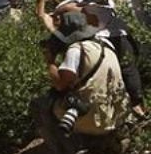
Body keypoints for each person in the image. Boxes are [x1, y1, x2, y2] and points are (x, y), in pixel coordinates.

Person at [31, 11, 129, 154]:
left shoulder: (76, 50)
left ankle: (67, 149)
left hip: (94, 119)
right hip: (114, 115)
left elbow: (60, 84)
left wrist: (50, 61)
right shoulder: (106, 45)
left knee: (39, 105)